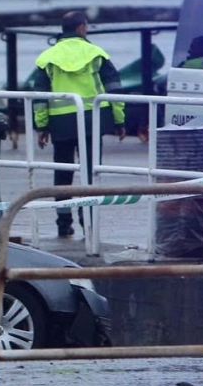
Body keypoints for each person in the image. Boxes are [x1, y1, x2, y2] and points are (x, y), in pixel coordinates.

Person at [32, 12, 131, 238]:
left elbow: (39, 96)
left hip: (61, 123)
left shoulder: (47, 57)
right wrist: (119, 120)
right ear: (80, 28)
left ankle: (63, 223)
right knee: (90, 174)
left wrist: (42, 126)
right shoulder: (96, 54)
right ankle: (89, 223)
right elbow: (114, 89)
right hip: (92, 120)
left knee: (63, 176)